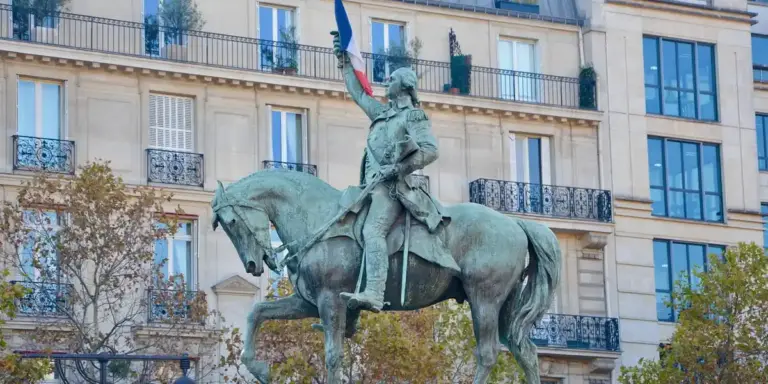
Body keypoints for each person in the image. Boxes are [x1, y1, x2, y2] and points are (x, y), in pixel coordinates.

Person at [332, 31, 451, 313]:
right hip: (368, 189)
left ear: (405, 86)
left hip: (393, 190)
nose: (388, 81)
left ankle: (373, 292)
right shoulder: (383, 114)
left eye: (393, 79)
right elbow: (359, 93)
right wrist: (343, 61)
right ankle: (350, 312)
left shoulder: (413, 116)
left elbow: (430, 149)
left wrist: (399, 167)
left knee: (373, 232)